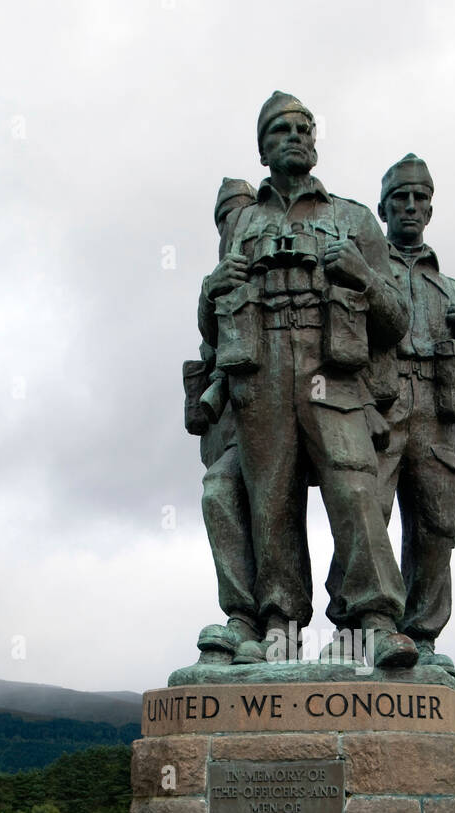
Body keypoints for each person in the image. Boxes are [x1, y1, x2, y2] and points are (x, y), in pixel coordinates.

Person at [198, 92, 416, 668]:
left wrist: (364, 277)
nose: (295, 136)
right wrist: (209, 289)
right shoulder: (242, 221)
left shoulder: (353, 219)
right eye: (280, 130)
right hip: (261, 370)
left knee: (354, 487)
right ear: (262, 148)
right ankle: (279, 624)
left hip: (329, 372)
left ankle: (375, 618)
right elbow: (214, 321)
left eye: (304, 128)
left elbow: (397, 320)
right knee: (270, 498)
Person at [328, 155, 455, 675]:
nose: (410, 207)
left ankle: (421, 635)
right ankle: (354, 629)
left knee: (436, 528)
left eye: (420, 198)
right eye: (400, 198)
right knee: (367, 512)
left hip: (438, 410)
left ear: (431, 208)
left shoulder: (449, 288)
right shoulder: (368, 265)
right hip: (383, 403)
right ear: (383, 208)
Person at [184, 178, 263, 663]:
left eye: (238, 213)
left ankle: (356, 626)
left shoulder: (272, 264)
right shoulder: (219, 282)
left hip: (294, 415)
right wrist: (209, 295)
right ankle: (243, 617)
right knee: (220, 493)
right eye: (223, 218)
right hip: (233, 427)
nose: (230, 224)